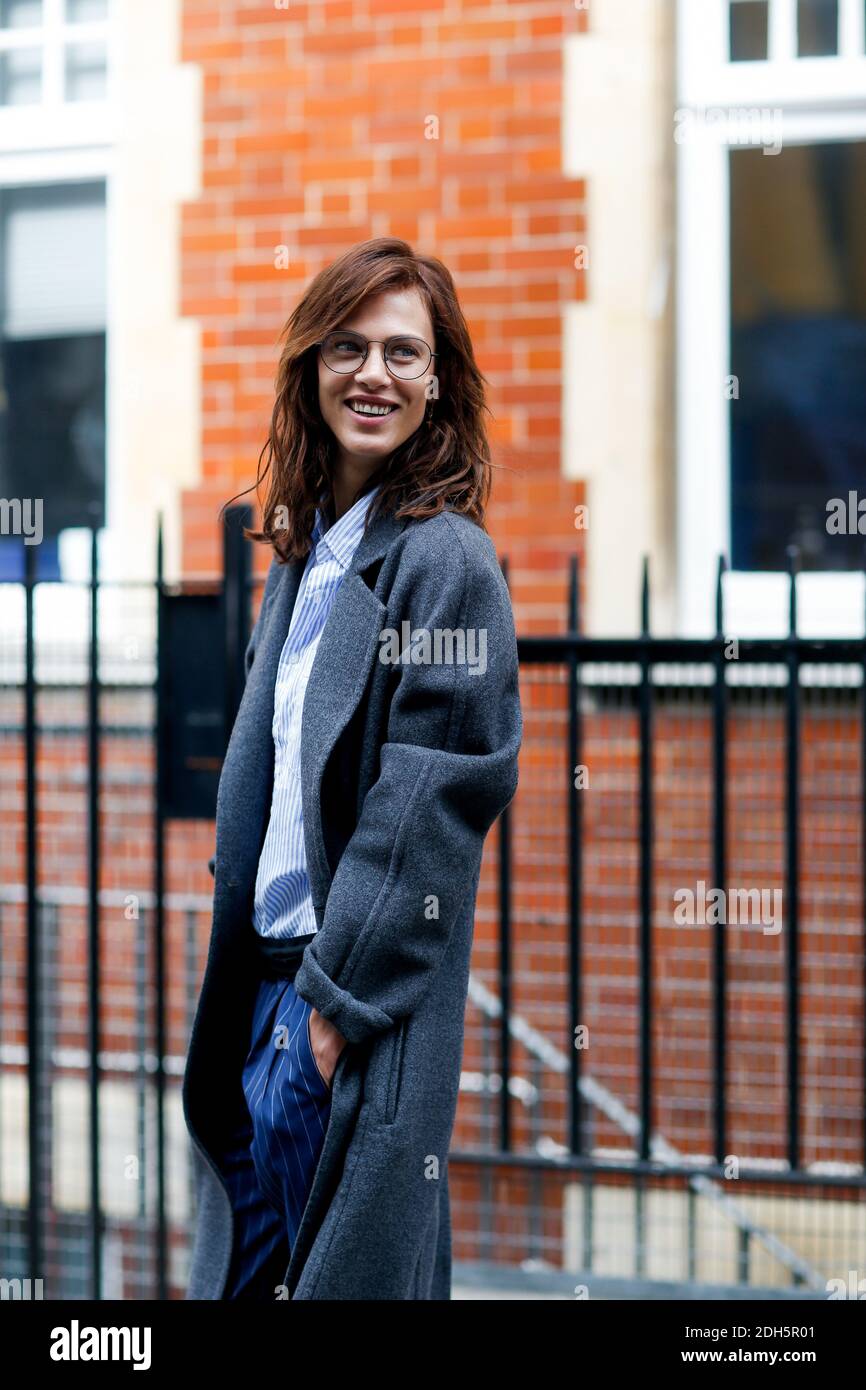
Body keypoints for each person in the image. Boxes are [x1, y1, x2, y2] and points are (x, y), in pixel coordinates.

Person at [182, 236, 523, 1300]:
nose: (373, 373)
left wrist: (324, 1025)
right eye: (347, 346)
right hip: (260, 992)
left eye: (402, 353)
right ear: (309, 366)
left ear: (437, 382)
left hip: (340, 1010)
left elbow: (429, 804)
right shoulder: (305, 555)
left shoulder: (445, 562)